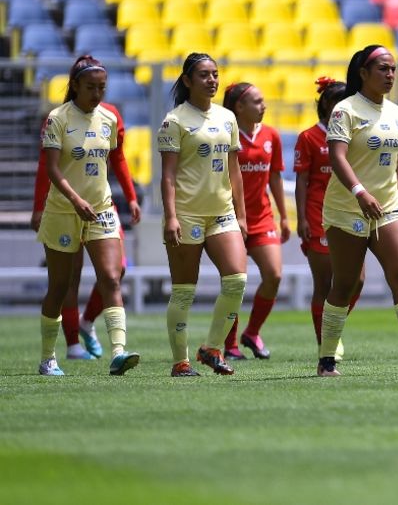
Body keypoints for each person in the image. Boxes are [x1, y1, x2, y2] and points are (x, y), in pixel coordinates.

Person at [317, 44, 398, 377]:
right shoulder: (345, 110)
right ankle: (327, 359)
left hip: (388, 208)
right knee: (344, 284)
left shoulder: (395, 113)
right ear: (363, 73)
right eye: (383, 68)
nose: (390, 74)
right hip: (347, 207)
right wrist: (360, 192)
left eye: (393, 69)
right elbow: (337, 157)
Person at [35, 55, 139, 376]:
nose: (97, 93)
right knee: (61, 285)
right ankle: (48, 357)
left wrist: (128, 197)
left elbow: (111, 162)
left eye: (102, 88)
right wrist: (76, 199)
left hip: (101, 210)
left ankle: (118, 353)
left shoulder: (108, 119)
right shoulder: (58, 119)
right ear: (75, 85)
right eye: (91, 87)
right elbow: (52, 168)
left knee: (111, 277)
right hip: (64, 211)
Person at [158, 53, 248, 377]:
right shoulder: (175, 121)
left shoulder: (227, 117)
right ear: (187, 81)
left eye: (215, 74)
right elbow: (167, 176)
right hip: (188, 215)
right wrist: (171, 217)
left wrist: (241, 214)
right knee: (184, 289)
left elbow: (234, 170)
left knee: (237, 279)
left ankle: (211, 347)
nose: (212, 80)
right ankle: (180, 362)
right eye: (204, 75)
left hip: (222, 212)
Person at [219, 82, 289, 361]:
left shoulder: (271, 134)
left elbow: (274, 177)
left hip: (261, 218)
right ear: (239, 107)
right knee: (235, 282)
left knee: (274, 275)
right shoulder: (224, 135)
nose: (264, 106)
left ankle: (253, 332)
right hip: (230, 217)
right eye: (258, 102)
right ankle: (230, 343)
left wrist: (284, 215)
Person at [295, 77, 362, 356]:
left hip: (349, 210)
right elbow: (301, 181)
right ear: (325, 105)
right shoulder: (309, 137)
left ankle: (332, 328)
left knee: (356, 280)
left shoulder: (354, 133)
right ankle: (327, 344)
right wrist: (302, 219)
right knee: (324, 282)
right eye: (337, 102)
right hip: (318, 212)